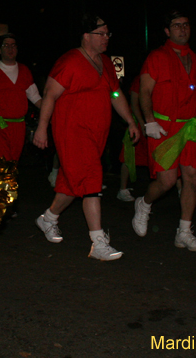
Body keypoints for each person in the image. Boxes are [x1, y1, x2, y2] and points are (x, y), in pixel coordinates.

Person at [33, 15, 139, 261]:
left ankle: (48, 219)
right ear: (86, 36)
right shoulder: (70, 61)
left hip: (96, 134)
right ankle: (98, 242)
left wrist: (131, 121)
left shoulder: (106, 63)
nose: (106, 38)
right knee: (92, 180)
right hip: (72, 132)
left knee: (74, 184)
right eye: (101, 33)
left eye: (107, 34)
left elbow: (115, 93)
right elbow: (49, 94)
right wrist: (42, 127)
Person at [132, 10, 196, 251]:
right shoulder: (157, 57)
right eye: (176, 25)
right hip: (164, 127)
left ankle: (184, 231)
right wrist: (149, 121)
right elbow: (145, 91)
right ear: (167, 31)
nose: (182, 29)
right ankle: (144, 203)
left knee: (192, 178)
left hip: (190, 126)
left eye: (185, 25)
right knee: (167, 181)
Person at [117, 75, 149, 201]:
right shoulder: (140, 79)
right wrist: (140, 123)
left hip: (154, 121)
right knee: (128, 155)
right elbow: (134, 103)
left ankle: (179, 189)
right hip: (137, 121)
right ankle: (122, 189)